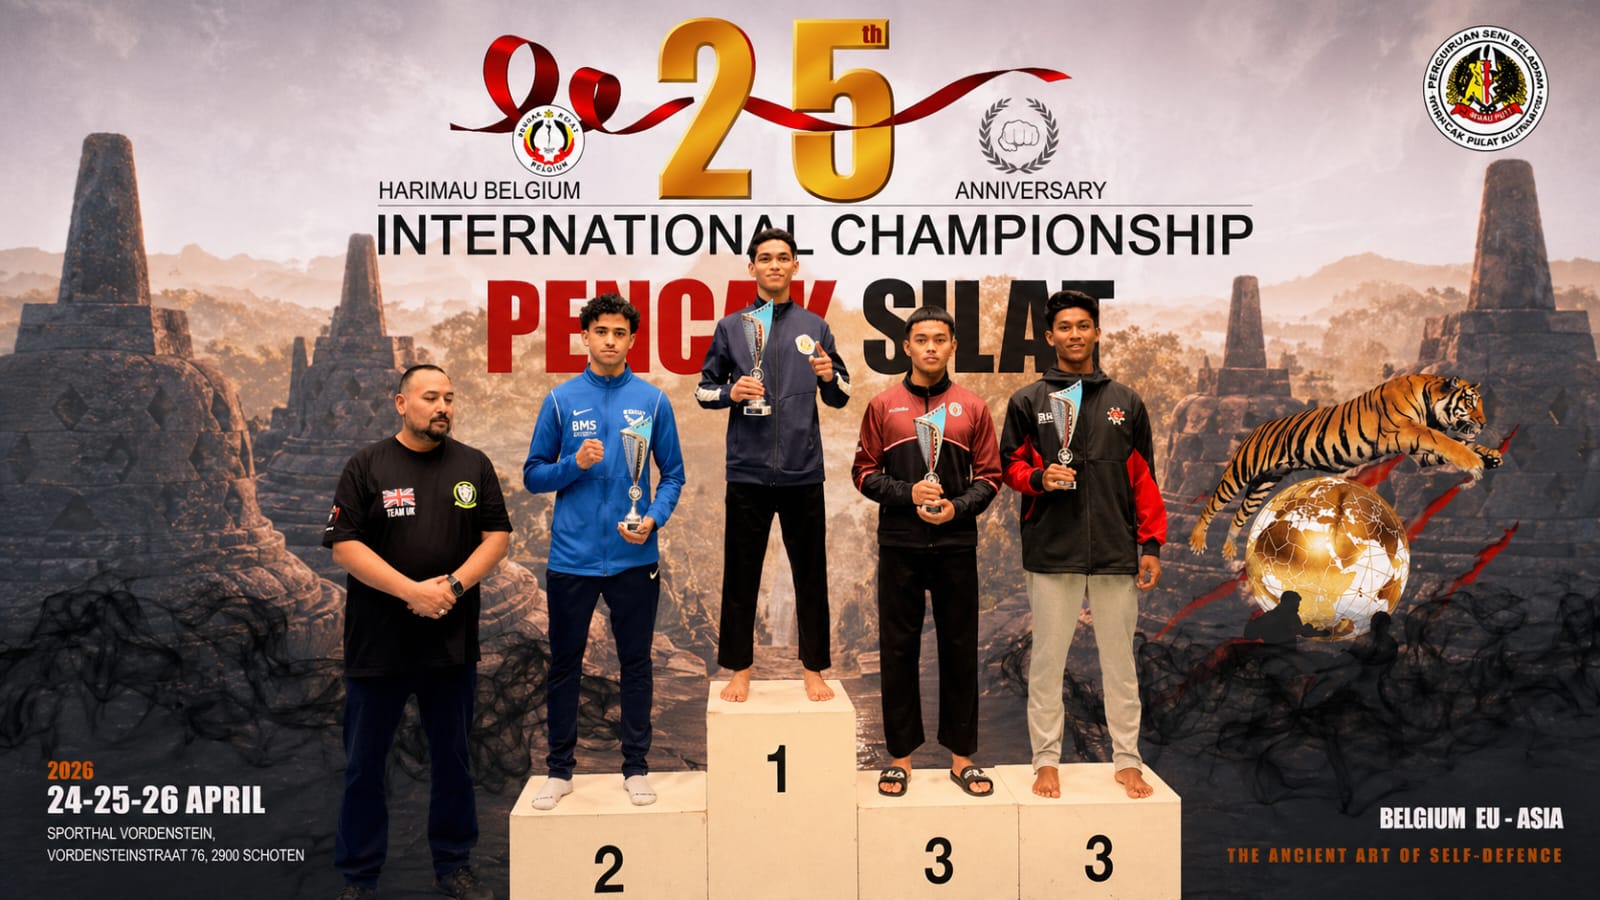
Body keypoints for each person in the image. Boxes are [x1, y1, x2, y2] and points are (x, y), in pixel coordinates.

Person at [324, 364, 509, 900]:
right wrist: (412, 591)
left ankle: (453, 866)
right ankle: (359, 877)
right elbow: (345, 547)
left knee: (452, 762)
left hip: (449, 646)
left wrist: (451, 587)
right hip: (377, 645)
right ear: (401, 404)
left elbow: (496, 538)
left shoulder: (473, 465)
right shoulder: (367, 465)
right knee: (364, 767)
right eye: (430, 397)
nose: (443, 407)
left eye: (449, 397)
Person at [998, 290, 1167, 801]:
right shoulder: (1028, 401)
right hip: (1052, 551)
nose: (1074, 334)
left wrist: (1151, 544)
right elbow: (1009, 466)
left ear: (1096, 332)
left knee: (1121, 663)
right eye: (1064, 327)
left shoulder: (1126, 403)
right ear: (1050, 337)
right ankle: (1046, 761)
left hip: (1115, 552)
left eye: (1083, 326)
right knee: (1048, 662)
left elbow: (1145, 480)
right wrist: (1038, 478)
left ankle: (1128, 761)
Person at [522, 293, 685, 810]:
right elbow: (533, 475)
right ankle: (559, 771)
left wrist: (653, 518)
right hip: (572, 559)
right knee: (564, 665)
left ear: (631, 340)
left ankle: (635, 767)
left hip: (635, 557)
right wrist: (574, 463)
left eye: (619, 333)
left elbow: (673, 475)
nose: (610, 341)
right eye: (601, 332)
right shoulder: (560, 400)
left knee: (636, 663)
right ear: (585, 338)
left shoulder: (653, 401)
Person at [852, 306, 1003, 798]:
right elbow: (863, 473)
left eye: (940, 339)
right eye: (922, 339)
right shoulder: (883, 405)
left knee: (959, 648)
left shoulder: (973, 407)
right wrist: (907, 494)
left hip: (956, 545)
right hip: (900, 544)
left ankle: (963, 760)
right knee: (898, 650)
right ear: (907, 347)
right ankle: (900, 760)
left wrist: (956, 508)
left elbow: (990, 477)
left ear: (953, 346)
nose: (931, 347)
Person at [696, 227, 851, 702]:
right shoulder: (730, 327)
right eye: (765, 258)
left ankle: (814, 670)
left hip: (803, 470)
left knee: (811, 576)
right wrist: (731, 391)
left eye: (783, 257)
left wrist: (830, 376)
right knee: (741, 576)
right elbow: (703, 390)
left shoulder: (815, 326)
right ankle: (739, 670)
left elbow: (840, 395)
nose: (775, 265)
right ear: (752, 268)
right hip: (747, 470)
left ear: (795, 266)